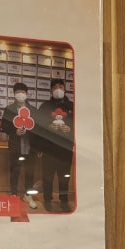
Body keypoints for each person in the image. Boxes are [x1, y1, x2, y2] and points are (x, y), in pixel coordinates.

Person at [37, 78, 74, 212]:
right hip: (49, 147)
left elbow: (79, 125)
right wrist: (48, 127)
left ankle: (64, 201)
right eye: (55, 87)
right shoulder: (45, 106)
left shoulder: (72, 106)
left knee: (64, 177)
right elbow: (38, 126)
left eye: (60, 87)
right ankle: (47, 200)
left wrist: (70, 129)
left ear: (65, 89)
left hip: (65, 148)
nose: (58, 89)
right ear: (51, 90)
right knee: (47, 176)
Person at [1, 82, 39, 209]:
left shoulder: (33, 110)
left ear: (26, 94)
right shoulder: (9, 109)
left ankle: (28, 195)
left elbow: (39, 129)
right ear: (14, 94)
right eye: (17, 92)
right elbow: (4, 126)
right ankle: (13, 194)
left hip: (30, 146)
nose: (20, 94)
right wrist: (14, 131)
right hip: (15, 146)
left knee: (30, 172)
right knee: (15, 171)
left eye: (22, 92)